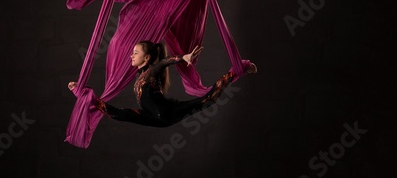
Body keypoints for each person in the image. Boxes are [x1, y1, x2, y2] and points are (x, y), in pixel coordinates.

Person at [68, 41, 257, 127]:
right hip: (154, 118)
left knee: (208, 99)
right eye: (132, 52)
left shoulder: (152, 70)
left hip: (168, 112)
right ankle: (86, 95)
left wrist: (184, 57)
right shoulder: (139, 75)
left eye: (136, 52)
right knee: (118, 114)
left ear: (147, 57)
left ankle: (237, 69)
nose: (131, 55)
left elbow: (166, 61)